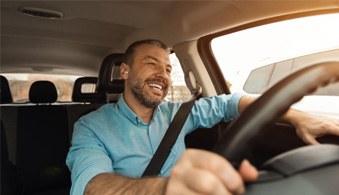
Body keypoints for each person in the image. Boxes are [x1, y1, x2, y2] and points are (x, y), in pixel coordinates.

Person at [66, 39, 339, 195]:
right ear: (124, 71)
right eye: (152, 64)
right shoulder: (91, 126)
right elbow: (92, 185)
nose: (163, 74)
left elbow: (229, 103)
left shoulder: (179, 113)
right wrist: (167, 189)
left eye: (168, 69)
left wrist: (297, 116)